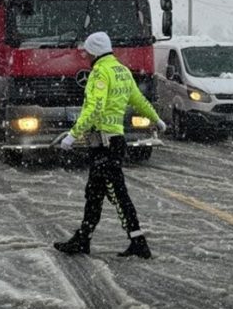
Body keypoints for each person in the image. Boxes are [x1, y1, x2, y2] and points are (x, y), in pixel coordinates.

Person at [54, 32, 166, 259]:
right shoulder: (122, 71)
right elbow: (139, 100)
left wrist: (73, 135)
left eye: (87, 52)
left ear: (94, 51)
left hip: (104, 143)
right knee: (94, 193)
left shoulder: (100, 72)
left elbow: (94, 108)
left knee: (117, 193)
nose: (85, 56)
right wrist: (156, 118)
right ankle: (83, 239)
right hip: (115, 142)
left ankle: (138, 242)